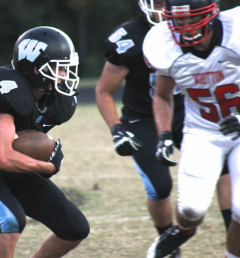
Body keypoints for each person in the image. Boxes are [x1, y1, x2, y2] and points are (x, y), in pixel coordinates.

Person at [96, 0, 231, 257]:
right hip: (143, 117)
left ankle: (232, 235)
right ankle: (169, 245)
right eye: (157, 2)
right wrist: (116, 129)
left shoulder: (208, 29)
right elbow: (103, 90)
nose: (162, 7)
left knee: (225, 170)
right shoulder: (129, 38)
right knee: (159, 186)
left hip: (189, 110)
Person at [0, 26, 90, 258]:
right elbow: (3, 157)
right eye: (58, 68)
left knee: (75, 228)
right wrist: (48, 166)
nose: (64, 75)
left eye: (66, 69)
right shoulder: (8, 87)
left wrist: (40, 157)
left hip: (14, 166)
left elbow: (25, 142)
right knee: (11, 221)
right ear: (34, 68)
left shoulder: (57, 101)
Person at [143, 1, 240, 257]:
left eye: (190, 19)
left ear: (211, 15)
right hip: (203, 132)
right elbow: (162, 96)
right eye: (179, 20)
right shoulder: (162, 43)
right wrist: (164, 134)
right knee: (191, 210)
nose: (184, 27)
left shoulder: (235, 32)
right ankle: (183, 231)